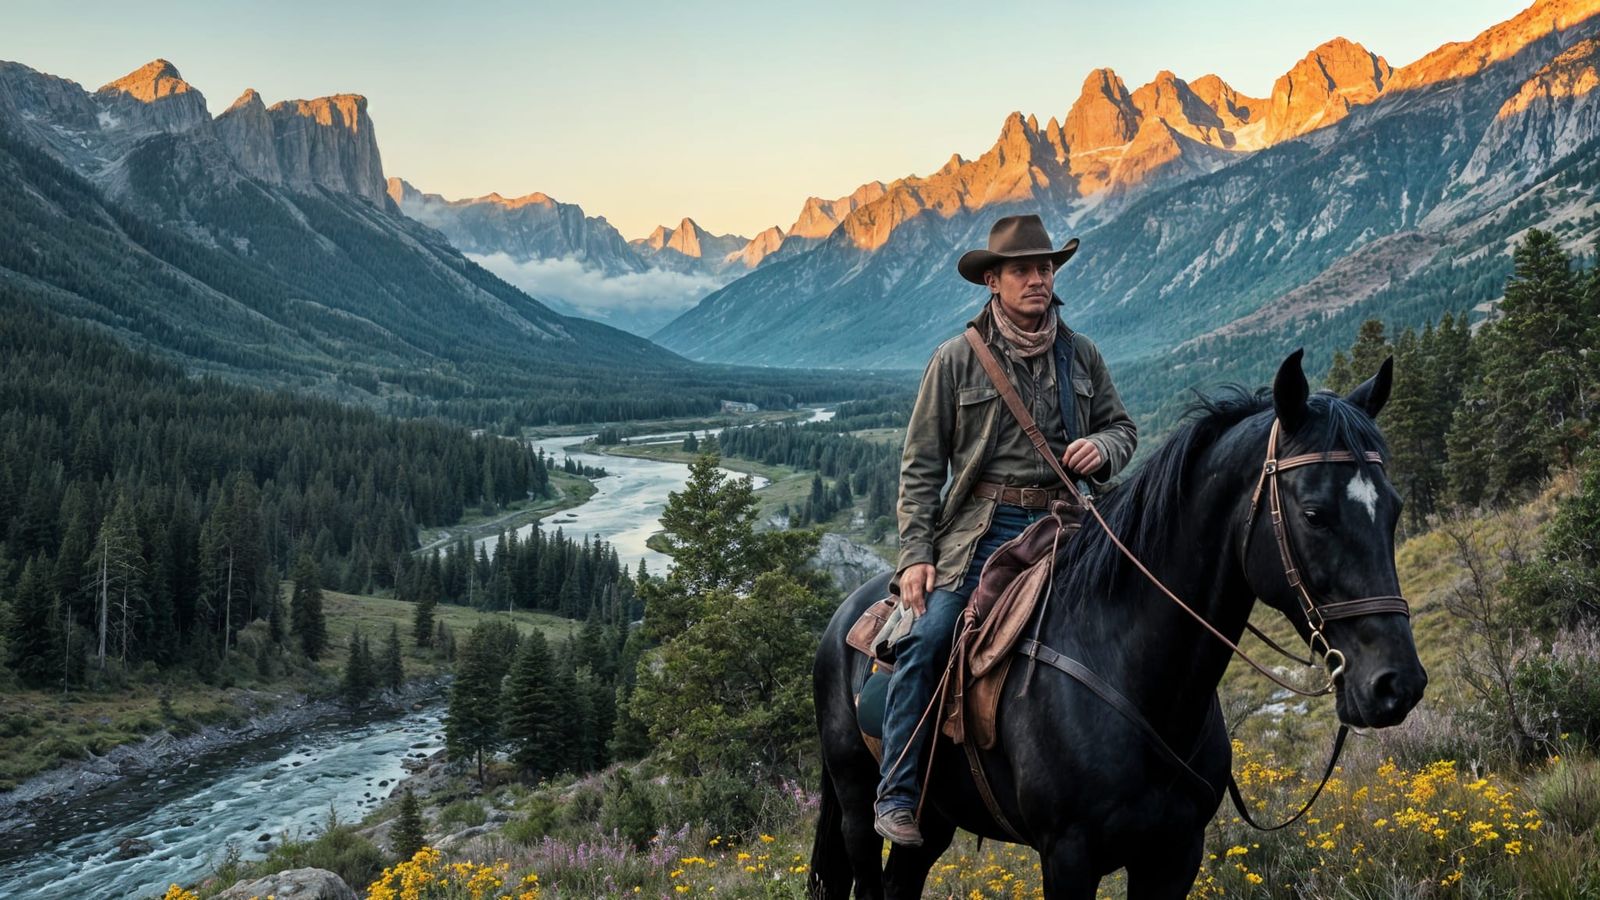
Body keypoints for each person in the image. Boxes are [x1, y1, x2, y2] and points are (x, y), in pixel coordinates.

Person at [874, 214, 1138, 846]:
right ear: (993, 281)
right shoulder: (956, 360)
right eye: (1023, 269)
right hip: (982, 530)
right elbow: (919, 467)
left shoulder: (1083, 354)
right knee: (931, 636)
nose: (1037, 279)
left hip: (1066, 521)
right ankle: (899, 790)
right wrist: (915, 555)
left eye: (1045, 268)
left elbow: (1123, 428)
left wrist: (1102, 448)